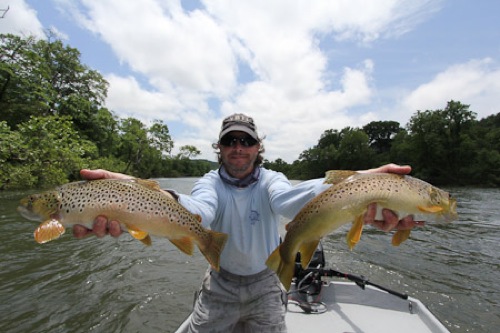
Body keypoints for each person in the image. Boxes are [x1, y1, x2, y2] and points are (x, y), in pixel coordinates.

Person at [74, 113, 422, 333]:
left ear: (258, 148)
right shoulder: (209, 183)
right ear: (219, 148)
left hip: (267, 284)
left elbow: (289, 202)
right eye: (230, 141)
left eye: (246, 141)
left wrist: (358, 186)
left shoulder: (273, 179)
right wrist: (131, 194)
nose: (238, 147)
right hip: (219, 286)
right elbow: (197, 210)